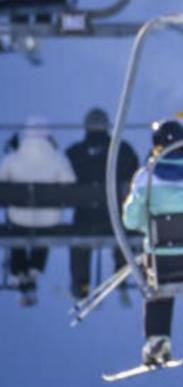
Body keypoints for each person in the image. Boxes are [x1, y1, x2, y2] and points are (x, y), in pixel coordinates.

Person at [122, 120, 183, 365]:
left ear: (156, 147)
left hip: (163, 256)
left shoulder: (145, 178)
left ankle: (157, 338)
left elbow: (130, 220)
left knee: (156, 274)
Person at [0, 117, 75, 306]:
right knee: (46, 226)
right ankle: (34, 268)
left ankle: (19, 272)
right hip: (48, 220)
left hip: (19, 218)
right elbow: (70, 182)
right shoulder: (57, 157)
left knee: (16, 227)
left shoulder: (14, 156)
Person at [66, 108, 139, 300]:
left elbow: (63, 183)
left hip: (84, 220)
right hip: (114, 221)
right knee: (126, 227)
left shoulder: (74, 153)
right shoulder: (123, 151)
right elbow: (136, 182)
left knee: (79, 240)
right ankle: (122, 272)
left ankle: (81, 283)